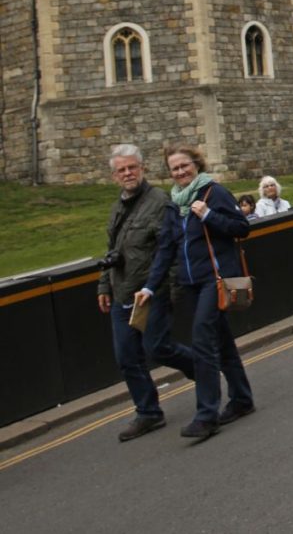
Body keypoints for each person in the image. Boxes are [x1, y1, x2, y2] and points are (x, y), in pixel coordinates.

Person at [135, 145, 255, 440]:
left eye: (184, 166)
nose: (180, 172)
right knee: (222, 342)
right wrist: (150, 286)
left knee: (202, 343)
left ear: (196, 164)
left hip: (215, 280)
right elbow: (166, 248)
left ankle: (206, 416)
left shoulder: (214, 193)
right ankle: (241, 399)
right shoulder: (174, 205)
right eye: (174, 169)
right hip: (191, 283)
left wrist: (209, 215)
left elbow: (241, 228)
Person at [97, 144, 195, 442]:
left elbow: (173, 250)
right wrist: (104, 284)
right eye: (121, 170)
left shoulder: (159, 201)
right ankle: (148, 412)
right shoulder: (118, 207)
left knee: (158, 349)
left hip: (152, 292)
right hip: (121, 292)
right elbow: (112, 249)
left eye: (132, 168)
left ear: (142, 169)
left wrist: (171, 290)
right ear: (114, 176)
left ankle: (203, 367)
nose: (127, 174)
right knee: (127, 357)